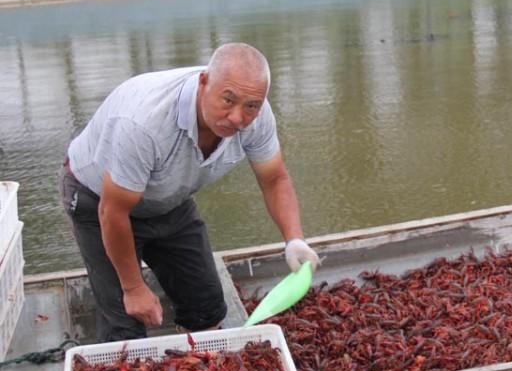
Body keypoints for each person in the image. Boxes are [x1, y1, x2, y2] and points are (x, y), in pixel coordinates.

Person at [58, 43, 319, 342]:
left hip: (169, 198)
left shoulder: (256, 117)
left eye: (251, 105)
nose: (237, 117)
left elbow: (274, 179)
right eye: (228, 100)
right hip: (98, 200)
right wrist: (133, 288)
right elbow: (113, 212)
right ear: (204, 82)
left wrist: (294, 239)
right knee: (124, 328)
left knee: (206, 309)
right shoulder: (145, 123)